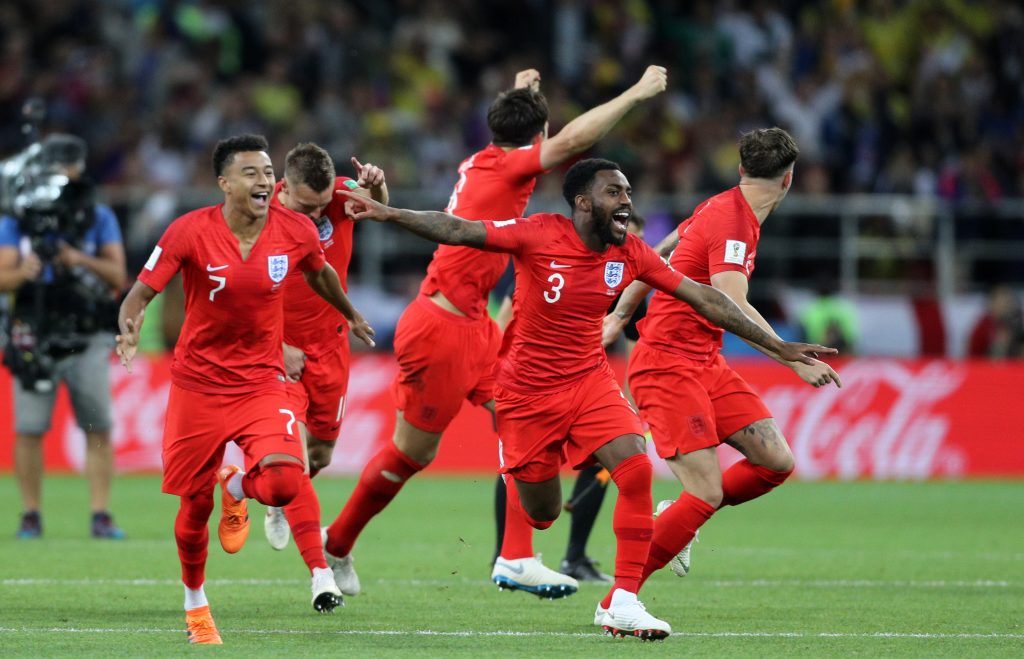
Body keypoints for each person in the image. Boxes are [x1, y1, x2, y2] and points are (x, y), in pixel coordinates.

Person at [337, 157, 833, 639]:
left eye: (628, 192)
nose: (626, 201)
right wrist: (388, 213)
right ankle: (522, 541)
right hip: (527, 394)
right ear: (582, 201)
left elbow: (704, 296)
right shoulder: (536, 233)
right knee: (544, 513)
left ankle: (622, 600)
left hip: (590, 381)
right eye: (614, 192)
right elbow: (457, 229)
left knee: (634, 467)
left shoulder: (630, 252)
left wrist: (780, 347)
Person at [321, 65, 669, 600]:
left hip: (477, 322)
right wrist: (637, 93)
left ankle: (516, 555)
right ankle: (338, 541)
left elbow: (528, 132)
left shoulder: (485, 159)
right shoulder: (510, 166)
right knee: (412, 454)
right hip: (442, 327)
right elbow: (571, 142)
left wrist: (525, 93)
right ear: (537, 136)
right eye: (543, 134)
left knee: (526, 411)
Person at [115, 134, 375, 644]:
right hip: (198, 385)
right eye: (251, 173)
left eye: (267, 172)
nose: (264, 181)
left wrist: (349, 312)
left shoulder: (295, 230)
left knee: (284, 481)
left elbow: (320, 273)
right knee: (194, 507)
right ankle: (196, 603)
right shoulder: (189, 231)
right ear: (224, 183)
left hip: (261, 381)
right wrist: (129, 327)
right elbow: (140, 292)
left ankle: (236, 486)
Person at [603, 128, 841, 590]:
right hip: (668, 364)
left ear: (741, 170)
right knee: (706, 492)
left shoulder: (720, 205)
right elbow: (731, 304)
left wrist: (621, 313)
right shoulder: (734, 222)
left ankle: (680, 516)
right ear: (789, 179)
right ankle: (620, 596)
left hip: (705, 360)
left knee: (775, 462)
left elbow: (657, 253)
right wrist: (791, 359)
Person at [489, 213, 648, 584]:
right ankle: (507, 553)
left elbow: (636, 346)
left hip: (583, 386)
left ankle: (574, 556)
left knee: (609, 460)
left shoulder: (627, 279)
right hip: (526, 384)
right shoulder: (554, 263)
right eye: (627, 234)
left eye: (636, 238)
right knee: (520, 466)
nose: (629, 243)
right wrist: (495, 376)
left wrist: (632, 405)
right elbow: (506, 318)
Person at [261, 142, 387, 593]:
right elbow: (239, 293)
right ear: (285, 189)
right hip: (279, 353)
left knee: (320, 456)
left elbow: (378, 209)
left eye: (322, 205)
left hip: (331, 346)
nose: (317, 215)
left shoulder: (337, 196)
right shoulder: (259, 215)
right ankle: (322, 567)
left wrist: (377, 187)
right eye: (306, 206)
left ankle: (270, 496)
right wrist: (277, 345)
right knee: (292, 456)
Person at [0, 134, 128, 540]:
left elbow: (117, 275)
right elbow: (2, 277)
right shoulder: (19, 217)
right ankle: (31, 514)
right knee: (30, 428)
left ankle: (100, 513)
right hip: (34, 332)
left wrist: (78, 259)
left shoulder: (96, 215)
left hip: (86, 334)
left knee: (97, 425)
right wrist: (23, 272)